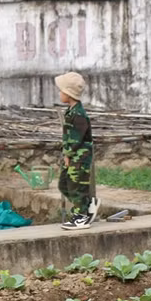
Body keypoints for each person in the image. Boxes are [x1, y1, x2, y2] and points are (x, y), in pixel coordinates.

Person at [55, 72, 99, 230]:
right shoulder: (71, 111)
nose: (59, 93)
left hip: (80, 157)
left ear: (68, 93)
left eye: (61, 91)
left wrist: (68, 154)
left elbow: (76, 139)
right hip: (73, 155)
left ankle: (81, 215)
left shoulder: (79, 114)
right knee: (64, 185)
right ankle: (86, 206)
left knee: (76, 186)